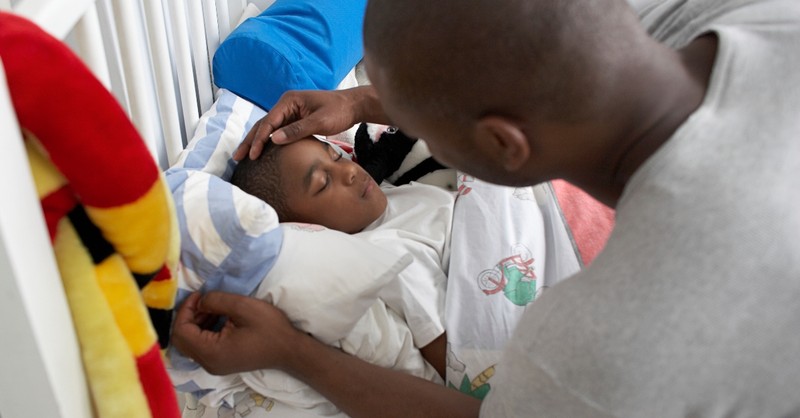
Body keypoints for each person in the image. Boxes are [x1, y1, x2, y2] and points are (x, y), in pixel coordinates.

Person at [173, 0, 800, 416]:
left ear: (501, 147)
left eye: (423, 126)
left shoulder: (600, 351)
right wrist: (364, 104)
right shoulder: (757, 16)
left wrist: (290, 352)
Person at [229, 135, 453, 377]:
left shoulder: (384, 194)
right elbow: (456, 362)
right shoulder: (388, 258)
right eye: (323, 183)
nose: (348, 170)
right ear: (304, 227)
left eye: (335, 155)